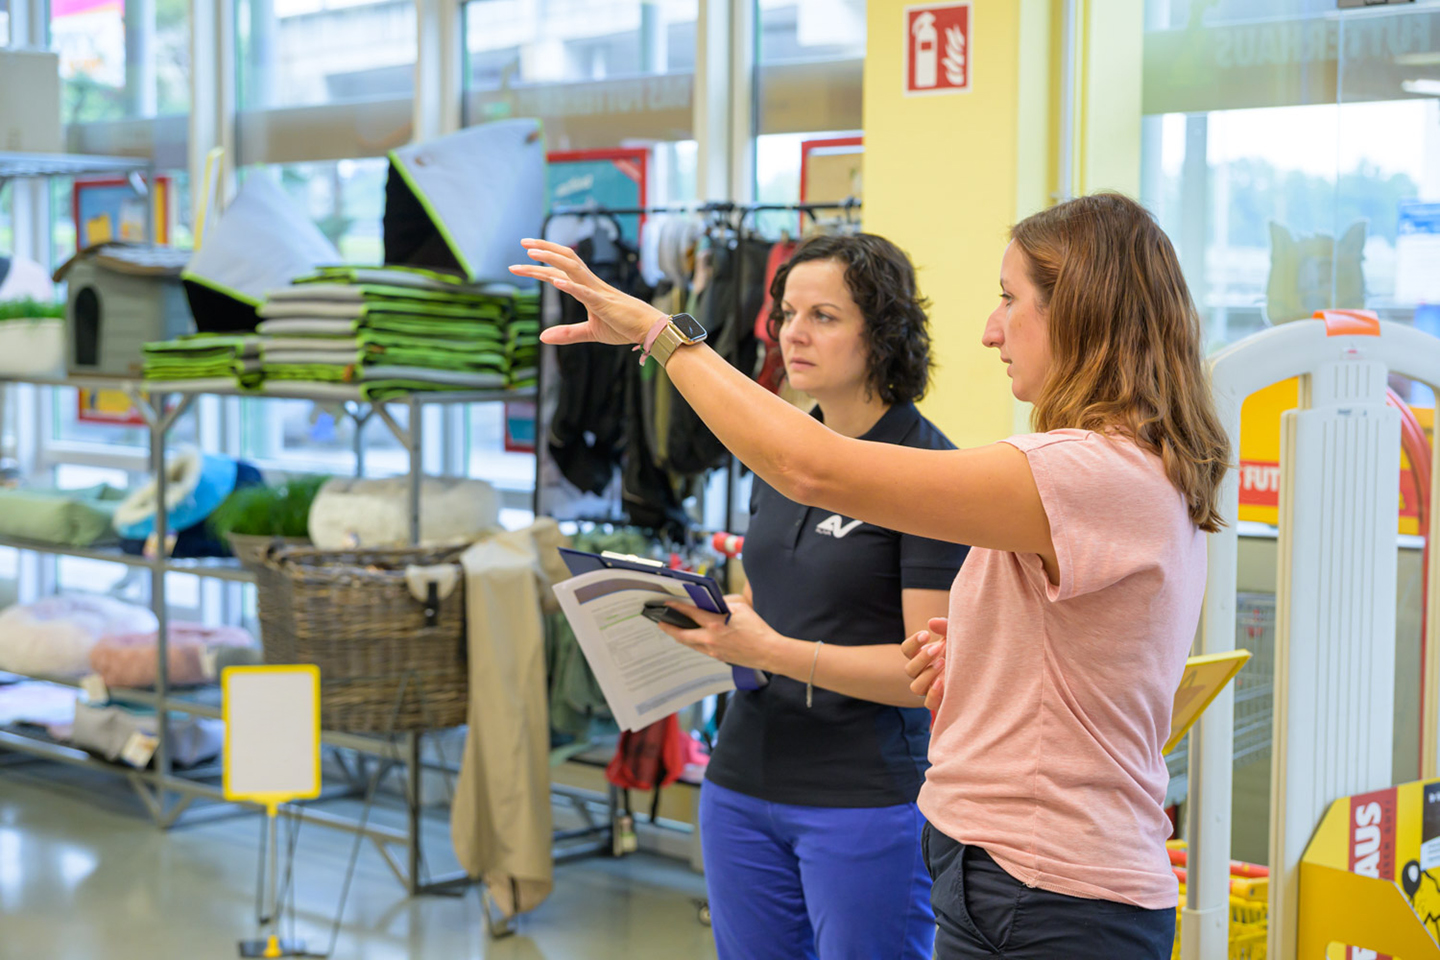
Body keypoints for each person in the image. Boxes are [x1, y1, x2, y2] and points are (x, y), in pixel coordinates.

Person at [512, 192, 1231, 960]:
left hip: (1049, 893)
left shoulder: (1089, 471)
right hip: (1001, 873)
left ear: (1082, 313)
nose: (993, 331)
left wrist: (660, 333)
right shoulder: (1110, 469)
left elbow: (807, 466)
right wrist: (979, 660)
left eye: (1008, 300)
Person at [664, 233, 967, 959]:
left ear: (884, 331)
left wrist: (772, 649)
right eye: (787, 313)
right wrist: (709, 627)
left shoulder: (928, 471)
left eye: (823, 316)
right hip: (740, 782)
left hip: (862, 798)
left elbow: (922, 676)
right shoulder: (783, 455)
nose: (792, 333)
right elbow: (761, 601)